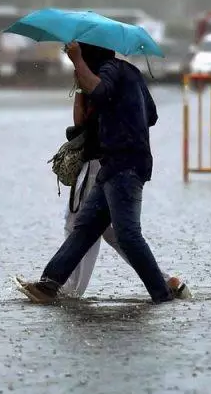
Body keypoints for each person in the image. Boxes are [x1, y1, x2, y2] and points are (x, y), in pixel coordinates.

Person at [16, 41, 181, 304]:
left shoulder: (111, 70)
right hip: (112, 165)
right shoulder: (128, 73)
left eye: (82, 53)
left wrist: (78, 62)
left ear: (90, 53)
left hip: (125, 165)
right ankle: (48, 286)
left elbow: (101, 91)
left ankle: (163, 293)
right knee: (85, 228)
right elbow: (150, 115)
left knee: (127, 235)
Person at [59, 78, 191, 299]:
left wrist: (80, 81)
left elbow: (81, 121)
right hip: (108, 162)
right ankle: (166, 281)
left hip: (100, 163)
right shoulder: (116, 79)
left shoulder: (101, 80)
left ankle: (70, 289)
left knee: (80, 224)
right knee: (112, 232)